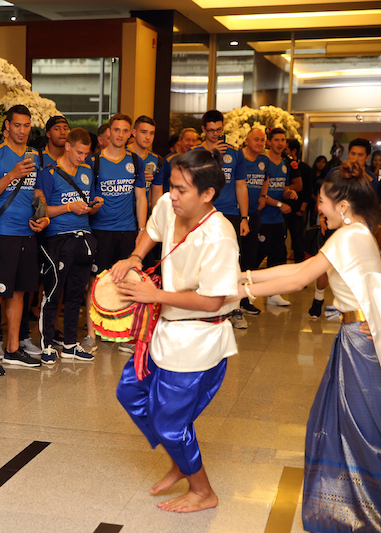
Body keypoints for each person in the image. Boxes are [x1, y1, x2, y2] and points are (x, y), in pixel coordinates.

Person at [238, 160, 381, 532]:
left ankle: (366, 509)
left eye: (321, 200)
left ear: (343, 206)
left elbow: (300, 278)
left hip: (361, 344)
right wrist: (243, 278)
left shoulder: (350, 235)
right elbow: (297, 269)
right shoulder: (356, 231)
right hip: (355, 338)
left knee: (362, 429)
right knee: (351, 427)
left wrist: (238, 287)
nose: (317, 206)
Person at [112, 148, 239, 513]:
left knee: (170, 424)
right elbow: (151, 231)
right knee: (130, 392)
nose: (173, 195)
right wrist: (135, 257)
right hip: (165, 328)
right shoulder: (170, 204)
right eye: (172, 185)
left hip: (199, 338)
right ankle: (182, 459)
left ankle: (202, 491)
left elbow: (214, 301)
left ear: (208, 194)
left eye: (182, 189)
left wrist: (155, 294)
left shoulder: (219, 236)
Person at [0, 105, 50, 375]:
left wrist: (43, 216)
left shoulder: (35, 156)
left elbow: (38, 192)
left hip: (27, 233)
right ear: (6, 126)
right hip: (3, 233)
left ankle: (12, 348)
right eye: (17, 125)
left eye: (26, 126)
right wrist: (11, 175)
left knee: (19, 291)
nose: (21, 131)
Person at [35, 127, 103, 364]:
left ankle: (70, 345)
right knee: (53, 293)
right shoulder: (49, 173)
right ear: (67, 146)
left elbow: (88, 205)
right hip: (57, 239)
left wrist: (95, 205)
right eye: (79, 152)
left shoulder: (86, 172)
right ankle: (47, 346)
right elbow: (41, 211)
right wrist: (68, 207)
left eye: (86, 154)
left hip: (83, 238)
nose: (82, 158)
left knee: (76, 293)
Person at [83, 113, 146, 354]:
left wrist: (142, 229)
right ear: (109, 132)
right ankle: (91, 334)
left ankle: (126, 334)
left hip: (128, 230)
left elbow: (141, 197)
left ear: (130, 133)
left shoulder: (135, 161)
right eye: (115, 130)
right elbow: (86, 196)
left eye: (124, 130)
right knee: (95, 281)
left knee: (129, 281)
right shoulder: (94, 162)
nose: (119, 134)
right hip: (100, 230)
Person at [308, 138, 376, 318]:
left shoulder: (371, 179)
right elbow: (324, 196)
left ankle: (350, 306)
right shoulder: (335, 173)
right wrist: (322, 217)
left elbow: (371, 207)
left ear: (367, 157)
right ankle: (318, 299)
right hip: (333, 223)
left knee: (351, 268)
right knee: (324, 262)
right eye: (352, 153)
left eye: (360, 155)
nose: (355, 157)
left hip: (357, 229)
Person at [257, 128, 301, 307]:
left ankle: (273, 294)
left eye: (282, 140)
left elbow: (278, 187)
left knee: (278, 258)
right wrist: (279, 204)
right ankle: (243, 295)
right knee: (256, 258)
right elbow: (261, 193)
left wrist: (288, 192)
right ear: (269, 142)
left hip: (278, 221)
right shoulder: (263, 162)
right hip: (263, 219)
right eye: (276, 140)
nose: (280, 143)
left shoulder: (284, 163)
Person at [193, 110, 249, 238]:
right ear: (204, 129)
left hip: (229, 212)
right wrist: (212, 155)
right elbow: (191, 181)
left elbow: (241, 186)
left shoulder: (236, 153)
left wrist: (244, 217)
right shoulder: (194, 152)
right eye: (211, 130)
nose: (215, 134)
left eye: (218, 130)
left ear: (223, 126)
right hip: (201, 212)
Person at [239, 128, 270, 316]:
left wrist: (264, 195)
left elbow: (265, 179)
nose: (259, 143)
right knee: (235, 257)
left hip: (254, 214)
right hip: (236, 215)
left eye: (262, 140)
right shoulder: (237, 157)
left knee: (251, 258)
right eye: (256, 139)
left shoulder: (264, 160)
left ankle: (245, 299)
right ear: (247, 140)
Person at [151, 127, 198, 207]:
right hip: (172, 202)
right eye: (187, 140)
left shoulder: (197, 159)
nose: (190, 143)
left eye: (193, 140)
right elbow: (160, 184)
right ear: (180, 140)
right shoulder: (168, 160)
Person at [286, 138, 312, 264]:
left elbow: (307, 190)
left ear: (293, 151)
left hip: (297, 210)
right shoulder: (283, 164)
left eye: (286, 149)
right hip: (283, 208)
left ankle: (300, 271)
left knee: (298, 241)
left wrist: (302, 209)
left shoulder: (304, 168)